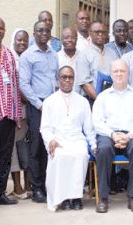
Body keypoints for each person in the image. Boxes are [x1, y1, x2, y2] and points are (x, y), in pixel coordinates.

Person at [92, 59, 133, 213]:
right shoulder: (103, 97)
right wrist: (112, 135)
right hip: (108, 134)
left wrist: (128, 136)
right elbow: (97, 122)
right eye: (116, 71)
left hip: (131, 135)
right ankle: (103, 198)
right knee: (103, 149)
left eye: (122, 71)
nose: (119, 74)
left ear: (128, 73)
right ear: (111, 74)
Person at [40, 66, 96, 211]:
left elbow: (88, 128)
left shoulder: (82, 101)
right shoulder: (49, 101)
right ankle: (63, 198)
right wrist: (51, 140)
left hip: (77, 139)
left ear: (74, 79)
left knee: (81, 155)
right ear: (59, 79)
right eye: (64, 77)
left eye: (70, 77)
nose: (67, 80)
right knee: (60, 156)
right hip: (58, 140)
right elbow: (45, 127)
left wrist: (93, 144)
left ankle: (77, 197)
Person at [19, 20, 59, 203]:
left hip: (53, 105)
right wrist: (39, 104)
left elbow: (57, 79)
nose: (44, 33)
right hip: (37, 107)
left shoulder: (53, 54)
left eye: (47, 30)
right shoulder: (27, 56)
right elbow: (24, 85)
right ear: (34, 34)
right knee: (35, 148)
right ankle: (37, 188)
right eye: (40, 30)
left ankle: (48, 185)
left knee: (50, 146)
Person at [0, 18, 22, 208]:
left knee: (5, 156)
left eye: (1, 28)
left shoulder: (10, 54)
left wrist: (17, 114)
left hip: (8, 115)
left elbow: (15, 83)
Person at [8, 29, 30, 200]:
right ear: (13, 40)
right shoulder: (8, 58)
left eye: (25, 40)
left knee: (27, 147)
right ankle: (17, 185)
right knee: (14, 148)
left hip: (29, 109)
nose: (22, 43)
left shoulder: (29, 57)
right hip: (13, 110)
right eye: (19, 40)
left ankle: (29, 184)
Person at [75, 21, 114, 100]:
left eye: (103, 32)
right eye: (97, 32)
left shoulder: (112, 53)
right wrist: (100, 101)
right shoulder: (84, 55)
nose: (100, 34)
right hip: (92, 100)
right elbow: (85, 84)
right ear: (90, 33)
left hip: (112, 99)